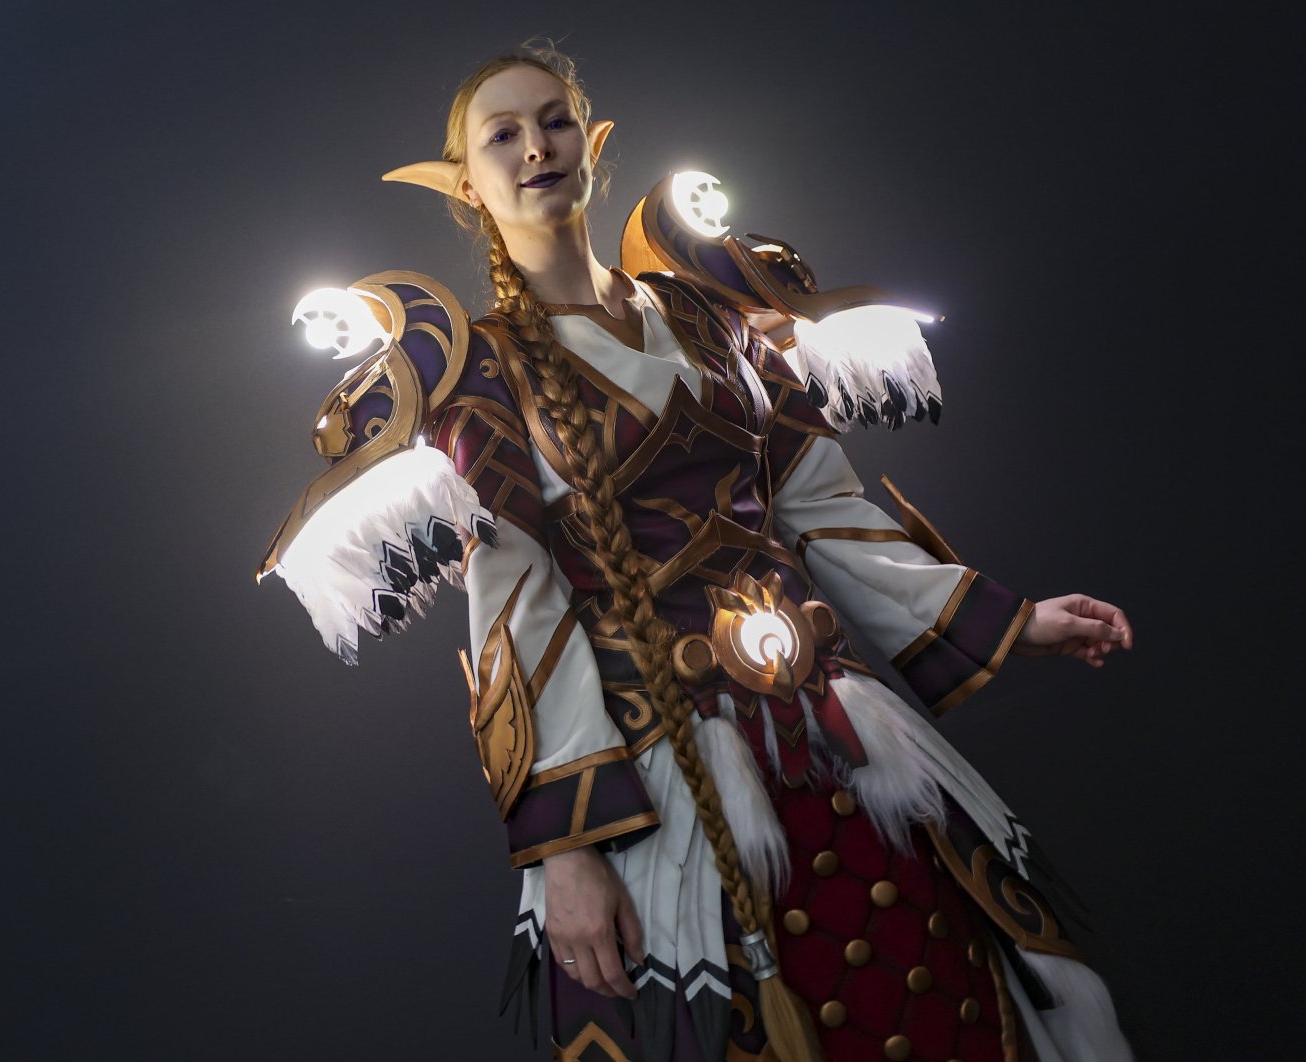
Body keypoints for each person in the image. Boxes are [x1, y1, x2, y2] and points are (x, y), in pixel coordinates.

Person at [261, 43, 1135, 1062]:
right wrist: (568, 852)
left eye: (553, 122)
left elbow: (823, 507)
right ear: (465, 182)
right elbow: (521, 613)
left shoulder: (705, 314)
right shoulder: (476, 376)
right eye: (502, 134)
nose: (534, 147)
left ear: (593, 145)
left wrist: (1013, 621)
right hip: (656, 779)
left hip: (839, 745)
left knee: (943, 1007)